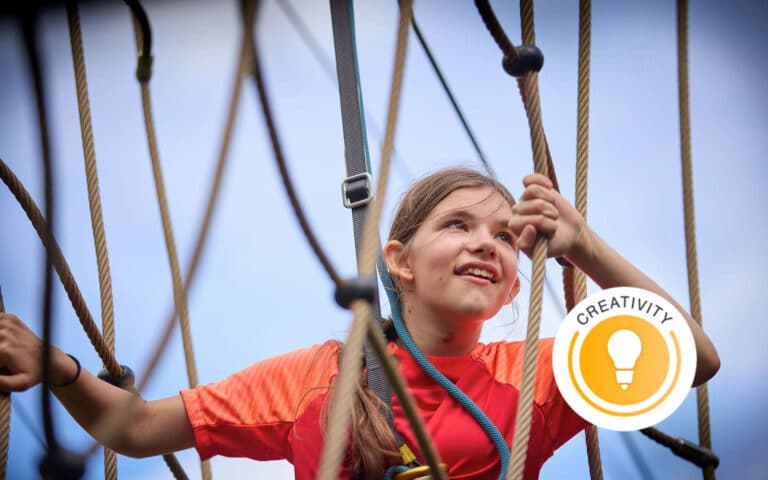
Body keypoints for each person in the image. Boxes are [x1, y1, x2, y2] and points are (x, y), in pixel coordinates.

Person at [0, 168, 719, 479]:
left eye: (505, 238)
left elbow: (693, 358)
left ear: (509, 290)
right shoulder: (319, 380)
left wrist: (585, 245)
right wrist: (60, 369)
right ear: (398, 261)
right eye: (459, 225)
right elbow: (137, 429)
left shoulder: (533, 375)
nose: (486, 244)